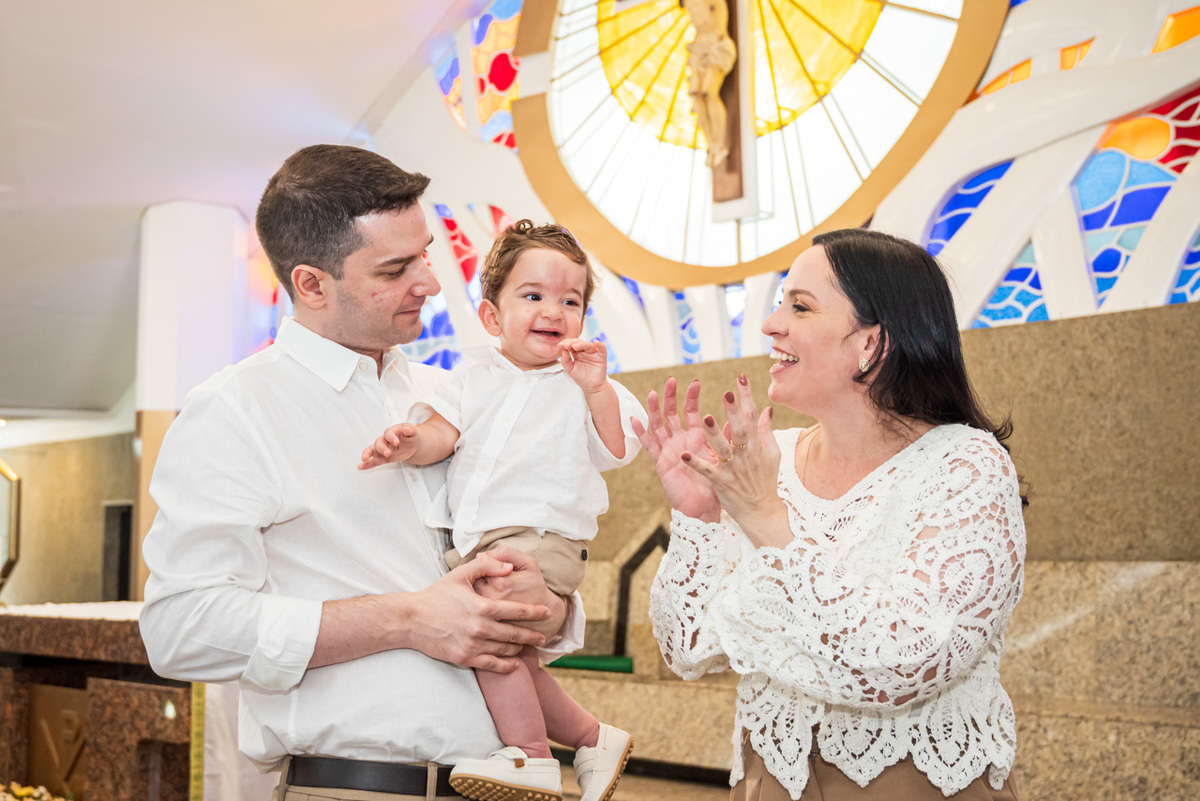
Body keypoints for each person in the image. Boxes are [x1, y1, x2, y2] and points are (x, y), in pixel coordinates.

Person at [139, 145, 583, 801]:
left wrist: (549, 602)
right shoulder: (235, 411)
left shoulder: (455, 394)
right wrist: (406, 618)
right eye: (396, 267)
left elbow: (519, 541)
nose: (430, 281)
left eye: (426, 252)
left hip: (506, 780)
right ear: (312, 283)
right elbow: (182, 629)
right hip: (356, 787)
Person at [634, 228, 1026, 800]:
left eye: (800, 306)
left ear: (871, 343)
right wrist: (698, 514)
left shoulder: (965, 466)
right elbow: (687, 646)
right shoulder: (771, 459)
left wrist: (767, 517)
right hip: (770, 781)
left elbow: (908, 661)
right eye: (779, 303)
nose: (770, 324)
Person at [358, 220, 643, 801]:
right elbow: (441, 434)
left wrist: (595, 389)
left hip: (541, 541)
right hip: (476, 545)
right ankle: (591, 738)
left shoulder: (585, 382)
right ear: (491, 317)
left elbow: (618, 448)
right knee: (504, 653)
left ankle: (532, 758)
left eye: (571, 300)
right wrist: (409, 443)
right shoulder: (470, 376)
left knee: (484, 634)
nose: (554, 311)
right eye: (533, 296)